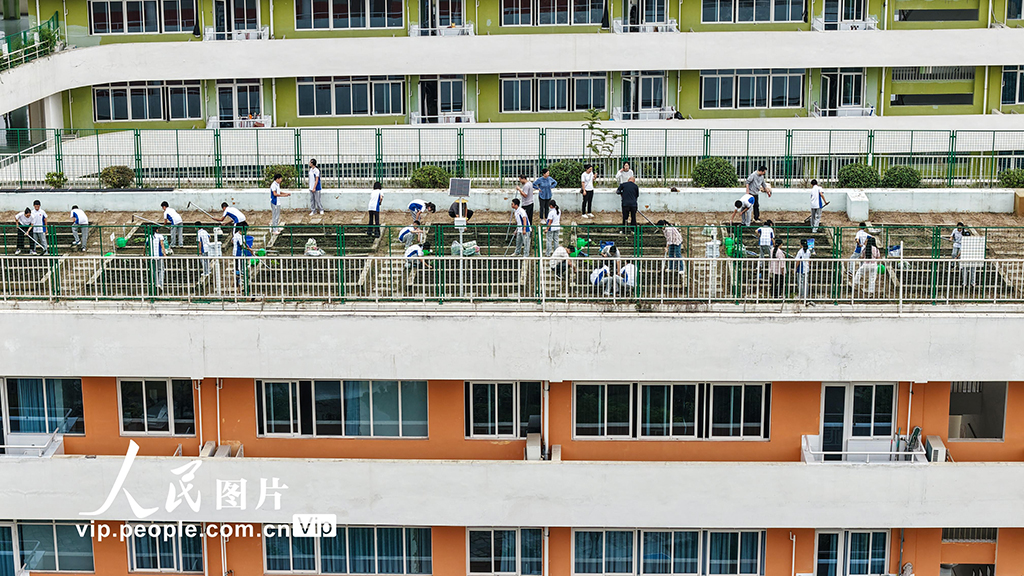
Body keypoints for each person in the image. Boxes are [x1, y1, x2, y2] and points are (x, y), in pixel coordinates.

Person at [150, 227, 168, 292]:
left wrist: (144, 255)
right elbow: (162, 244)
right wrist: (164, 253)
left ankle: (156, 284)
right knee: (161, 269)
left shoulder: (149, 237)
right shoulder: (160, 236)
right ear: (157, 230)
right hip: (159, 255)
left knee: (155, 270)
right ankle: (160, 284)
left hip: (152, 256)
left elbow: (145, 247)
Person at [795, 238, 812, 302]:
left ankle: (801, 295)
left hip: (801, 269)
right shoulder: (808, 251)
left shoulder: (800, 251)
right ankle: (805, 295)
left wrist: (795, 268)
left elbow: (798, 261)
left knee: (800, 282)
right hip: (806, 269)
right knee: (806, 282)